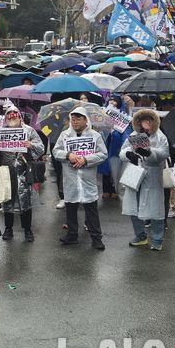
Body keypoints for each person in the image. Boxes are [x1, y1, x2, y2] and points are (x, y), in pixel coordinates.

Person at [52, 107, 108, 250]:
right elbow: (56, 151)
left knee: (91, 209)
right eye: (73, 118)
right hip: (70, 178)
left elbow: (102, 154)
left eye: (79, 118)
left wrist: (85, 159)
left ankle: (96, 238)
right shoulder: (65, 135)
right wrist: (68, 155)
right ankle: (72, 235)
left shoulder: (95, 135)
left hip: (88, 178)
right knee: (71, 207)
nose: (75, 121)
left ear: (85, 120)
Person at [0, 105, 44, 242]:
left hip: (24, 171)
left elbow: (41, 148)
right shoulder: (0, 132)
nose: (12, 116)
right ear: (5, 117)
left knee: (25, 200)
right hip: (6, 171)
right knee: (7, 199)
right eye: (9, 114)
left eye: (15, 114)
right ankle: (8, 228)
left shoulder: (29, 131)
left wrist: (31, 145)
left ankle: (27, 229)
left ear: (20, 116)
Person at [119, 109, 170, 250]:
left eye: (149, 120)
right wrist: (129, 154)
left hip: (152, 177)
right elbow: (122, 151)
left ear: (154, 122)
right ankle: (140, 235)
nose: (146, 123)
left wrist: (149, 153)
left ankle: (157, 239)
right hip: (135, 175)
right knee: (133, 207)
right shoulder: (134, 134)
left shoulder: (160, 137)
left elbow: (164, 153)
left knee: (156, 210)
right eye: (143, 120)